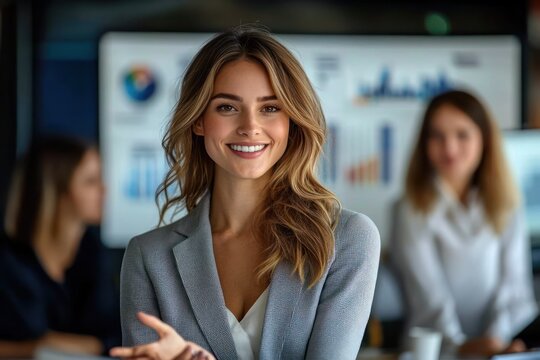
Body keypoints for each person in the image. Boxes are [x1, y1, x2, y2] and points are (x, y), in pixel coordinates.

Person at [110, 24, 381, 360]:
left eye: (270, 108)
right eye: (227, 107)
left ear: (291, 122)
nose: (250, 126)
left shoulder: (347, 240)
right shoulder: (149, 258)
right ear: (199, 120)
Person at [390, 90, 538, 357]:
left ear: (484, 140)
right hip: (437, 349)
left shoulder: (507, 203)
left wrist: (494, 343)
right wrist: (462, 348)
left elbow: (513, 289)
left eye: (462, 135)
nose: (450, 148)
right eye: (437, 136)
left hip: (501, 343)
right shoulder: (410, 209)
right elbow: (429, 300)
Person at [0, 136, 121, 357]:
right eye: (91, 181)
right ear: (59, 190)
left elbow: (117, 339)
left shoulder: (93, 254)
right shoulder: (9, 261)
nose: (104, 191)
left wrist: (47, 344)